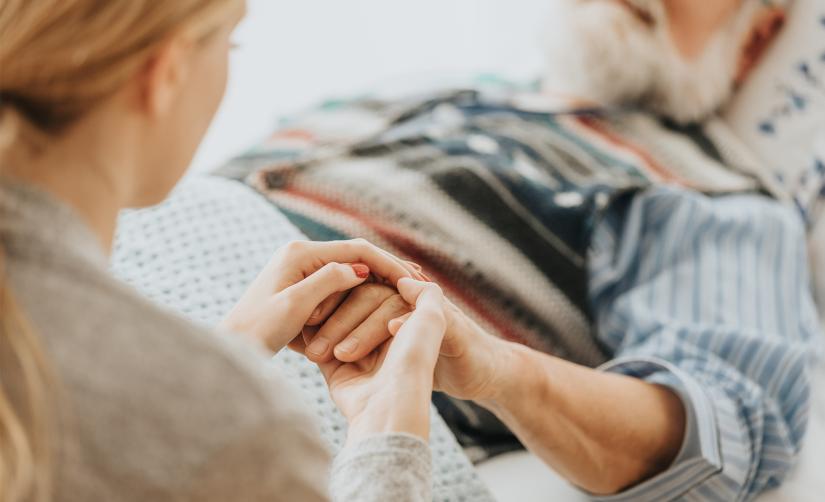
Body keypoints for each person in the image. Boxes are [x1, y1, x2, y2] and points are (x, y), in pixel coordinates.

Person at [300, 0, 824, 500]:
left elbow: (724, 428)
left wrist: (499, 369)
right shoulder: (422, 88)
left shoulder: (710, 198)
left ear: (756, 39)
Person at [0, 1, 448, 501]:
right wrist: (387, 431)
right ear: (165, 71)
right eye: (230, 43)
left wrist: (227, 351)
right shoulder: (239, 429)